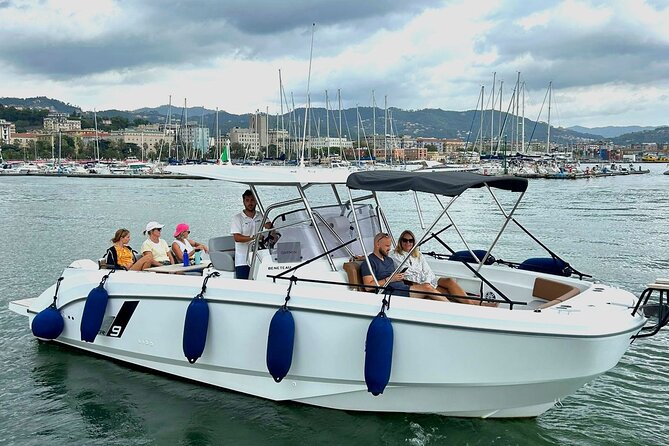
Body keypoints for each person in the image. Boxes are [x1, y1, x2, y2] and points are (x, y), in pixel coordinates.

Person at [389, 229, 485, 305]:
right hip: (413, 283)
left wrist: (428, 280)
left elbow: (427, 271)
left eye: (411, 240)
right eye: (405, 240)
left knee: (449, 281)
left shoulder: (418, 254)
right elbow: (408, 274)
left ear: (414, 242)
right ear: (400, 241)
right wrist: (426, 281)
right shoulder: (395, 255)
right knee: (444, 291)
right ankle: (475, 304)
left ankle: (472, 303)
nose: (408, 243)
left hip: (428, 280)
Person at [360, 232, 449, 302]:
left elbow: (394, 278)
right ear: (377, 244)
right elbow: (368, 286)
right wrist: (390, 279)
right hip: (391, 293)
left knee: (428, 286)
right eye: (387, 246)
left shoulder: (389, 260)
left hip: (402, 287)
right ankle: (453, 308)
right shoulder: (369, 262)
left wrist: (399, 278)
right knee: (427, 288)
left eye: (390, 246)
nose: (389, 248)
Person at [231, 190, 272, 279]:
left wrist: (271, 229)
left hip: (259, 257)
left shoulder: (261, 215)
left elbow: (270, 227)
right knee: (243, 285)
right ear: (244, 202)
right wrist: (254, 238)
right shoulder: (237, 218)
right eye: (247, 200)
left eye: (252, 200)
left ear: (256, 201)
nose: (250, 203)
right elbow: (237, 238)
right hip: (243, 260)